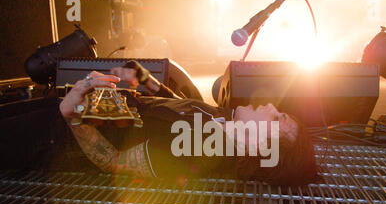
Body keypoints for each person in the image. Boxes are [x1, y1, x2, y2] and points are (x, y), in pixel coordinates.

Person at [59, 61, 319, 186]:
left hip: (54, 135)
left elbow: (114, 161)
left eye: (276, 118)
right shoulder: (227, 123)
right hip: (91, 104)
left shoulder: (198, 150)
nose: (271, 106)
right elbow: (181, 107)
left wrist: (71, 115)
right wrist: (144, 78)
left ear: (260, 146)